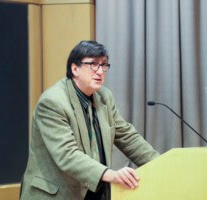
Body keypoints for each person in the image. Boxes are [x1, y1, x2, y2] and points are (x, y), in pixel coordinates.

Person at [20, 41, 159, 200]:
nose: (100, 71)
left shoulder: (104, 97)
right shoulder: (52, 102)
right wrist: (110, 175)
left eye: (104, 65)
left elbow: (127, 136)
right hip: (56, 194)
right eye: (93, 64)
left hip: (94, 192)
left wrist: (161, 165)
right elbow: (67, 154)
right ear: (74, 69)